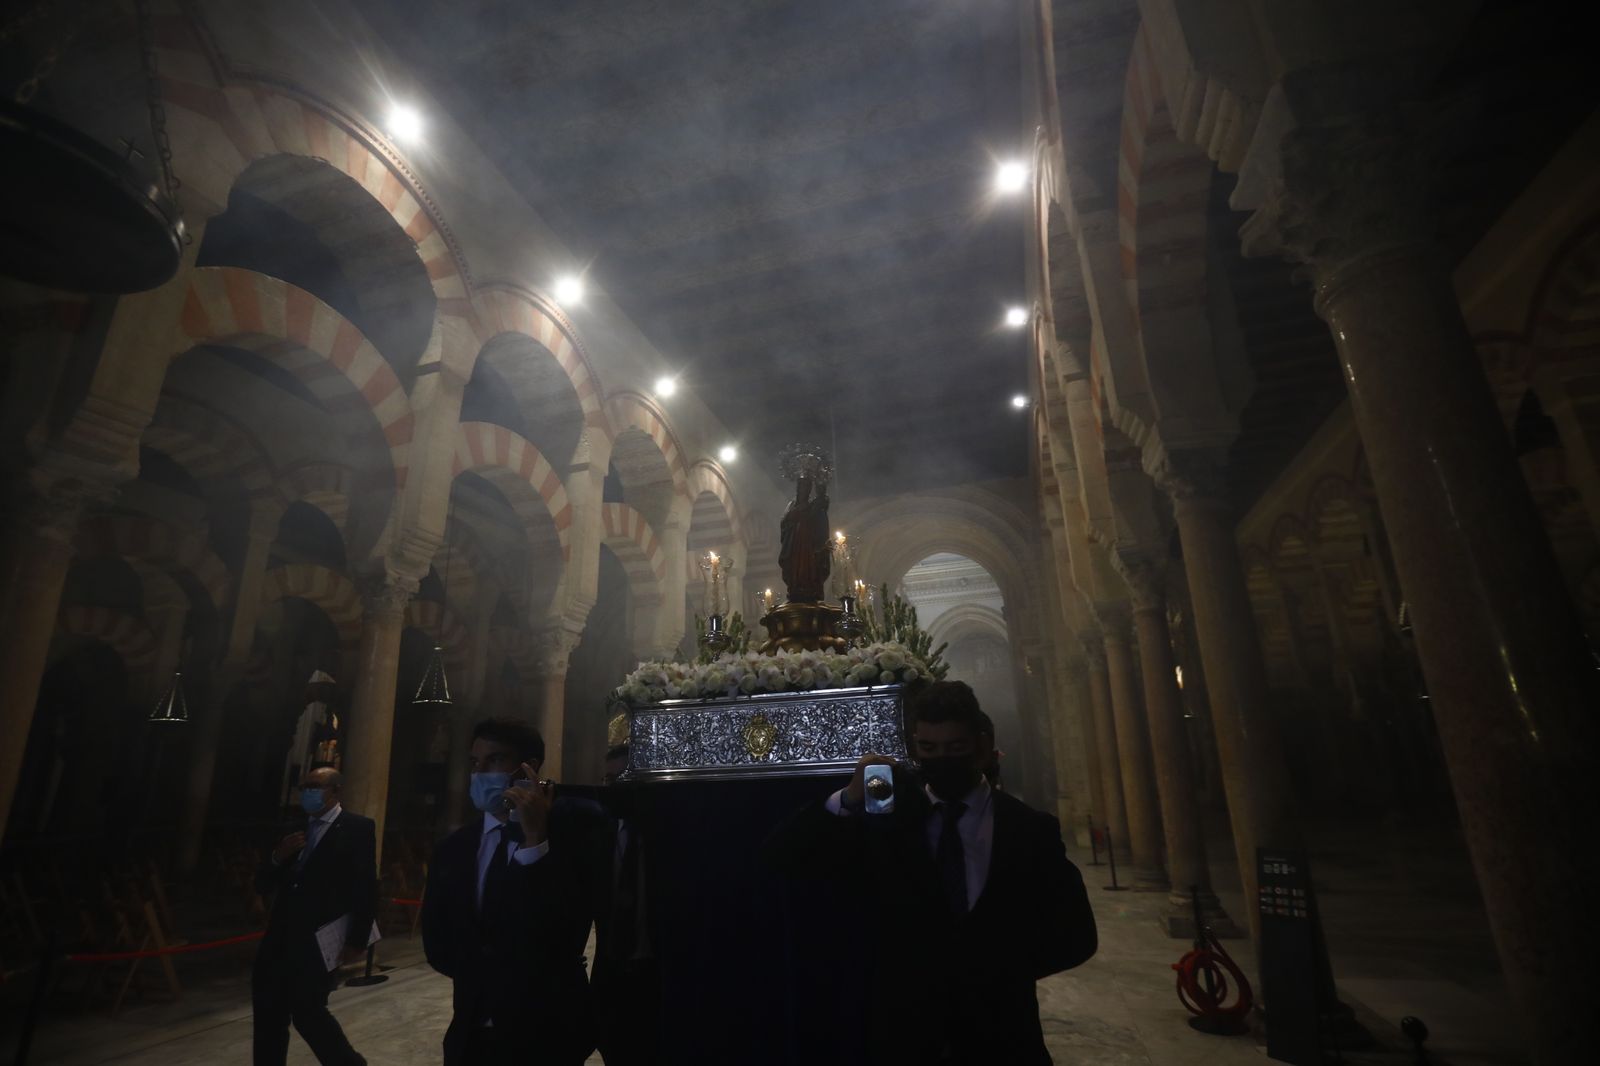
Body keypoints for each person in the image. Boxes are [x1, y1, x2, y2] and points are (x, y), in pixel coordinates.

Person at [772, 681, 1097, 1065]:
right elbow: (785, 856)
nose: (942, 759)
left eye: (955, 748)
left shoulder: (1028, 829)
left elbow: (1077, 935)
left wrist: (1001, 972)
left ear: (980, 744)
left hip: (1001, 1038)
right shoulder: (890, 820)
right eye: (929, 749)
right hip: (907, 1038)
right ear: (913, 748)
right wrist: (848, 798)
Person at [421, 718, 605, 1066]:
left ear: (527, 768)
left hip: (548, 1034)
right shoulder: (455, 848)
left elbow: (563, 931)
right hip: (472, 1034)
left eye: (494, 761)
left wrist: (535, 842)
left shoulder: (571, 834)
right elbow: (438, 943)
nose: (480, 773)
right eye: (476, 763)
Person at [252, 767, 375, 1066]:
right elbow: (262, 884)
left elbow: (366, 885)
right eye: (305, 786)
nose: (308, 792)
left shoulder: (357, 827)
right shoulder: (292, 829)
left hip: (321, 938)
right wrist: (277, 858)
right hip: (280, 936)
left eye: (315, 786)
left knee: (309, 1013)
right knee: (268, 1015)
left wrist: (357, 939)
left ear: (335, 791)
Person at [594, 743, 661, 1065]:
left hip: (660, 976)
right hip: (612, 976)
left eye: (624, 778)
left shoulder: (669, 837)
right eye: (608, 781)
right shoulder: (598, 836)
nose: (615, 789)